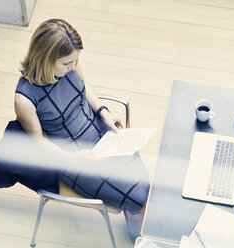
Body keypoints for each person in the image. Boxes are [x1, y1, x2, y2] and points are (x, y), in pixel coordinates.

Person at [12, 18, 149, 241]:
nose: (72, 67)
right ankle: (140, 230)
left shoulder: (71, 66)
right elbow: (38, 143)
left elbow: (84, 88)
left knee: (144, 188)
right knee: (142, 200)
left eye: (75, 61)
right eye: (67, 63)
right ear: (46, 58)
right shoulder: (24, 99)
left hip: (101, 135)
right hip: (75, 159)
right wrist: (72, 158)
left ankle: (136, 222)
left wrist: (104, 112)